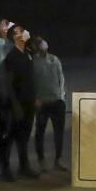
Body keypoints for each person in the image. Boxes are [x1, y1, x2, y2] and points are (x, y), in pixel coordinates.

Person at [1, 24, 38, 180]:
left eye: (23, 30)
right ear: (14, 37)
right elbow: (8, 85)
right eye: (20, 32)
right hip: (17, 105)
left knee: (24, 137)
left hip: (29, 103)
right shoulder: (12, 57)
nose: (24, 33)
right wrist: (15, 105)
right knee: (10, 137)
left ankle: (24, 166)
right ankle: (5, 169)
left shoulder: (27, 54)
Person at [31, 35, 67, 172]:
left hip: (57, 102)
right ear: (34, 46)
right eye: (39, 42)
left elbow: (61, 77)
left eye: (42, 41)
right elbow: (31, 83)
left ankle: (58, 159)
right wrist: (35, 99)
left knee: (59, 133)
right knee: (40, 133)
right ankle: (41, 160)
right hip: (42, 104)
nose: (42, 44)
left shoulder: (54, 59)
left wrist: (62, 96)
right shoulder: (33, 62)